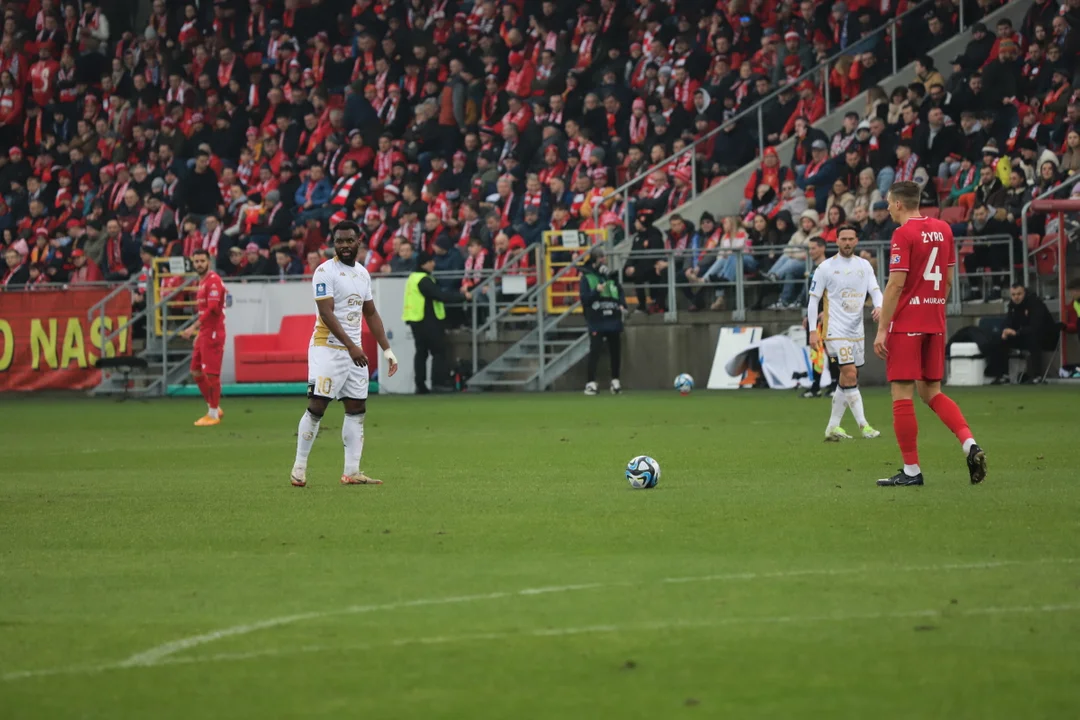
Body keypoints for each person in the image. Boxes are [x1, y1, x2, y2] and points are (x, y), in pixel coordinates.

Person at [873, 181, 986, 487]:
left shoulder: (903, 233)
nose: (886, 208)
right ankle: (969, 444)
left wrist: (883, 327)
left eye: (887, 202)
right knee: (931, 392)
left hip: (907, 324)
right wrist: (931, 305)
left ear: (898, 204)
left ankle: (911, 470)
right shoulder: (944, 229)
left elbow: (896, 283)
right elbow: (948, 280)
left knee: (902, 393)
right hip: (934, 321)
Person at [290, 221, 399, 488]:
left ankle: (352, 471)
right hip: (327, 348)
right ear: (333, 243)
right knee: (317, 406)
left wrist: (387, 350)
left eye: (349, 241)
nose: (345, 246)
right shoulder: (325, 271)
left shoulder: (362, 274)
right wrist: (352, 346)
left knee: (356, 408)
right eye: (340, 242)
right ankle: (299, 468)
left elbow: (370, 313)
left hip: (354, 352)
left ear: (358, 242)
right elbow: (326, 314)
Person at [807, 223, 883, 441]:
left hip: (856, 330)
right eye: (843, 239)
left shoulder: (864, 266)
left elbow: (875, 290)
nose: (847, 242)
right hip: (834, 330)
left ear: (856, 241)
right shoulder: (825, 268)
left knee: (848, 376)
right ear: (836, 241)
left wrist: (879, 306)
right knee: (849, 372)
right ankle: (864, 425)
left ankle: (833, 426)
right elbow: (813, 301)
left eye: (851, 239)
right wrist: (813, 331)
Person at [403, 251, 470, 394]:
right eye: (431, 261)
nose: (433, 263)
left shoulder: (413, 278)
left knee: (421, 353)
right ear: (424, 264)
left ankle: (420, 385)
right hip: (427, 320)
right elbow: (439, 295)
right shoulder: (424, 280)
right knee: (438, 351)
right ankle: (438, 383)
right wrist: (462, 297)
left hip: (415, 320)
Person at [180, 249, 227, 426]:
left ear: (208, 262)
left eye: (202, 261)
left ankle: (213, 414)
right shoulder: (202, 281)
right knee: (195, 371)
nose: (199, 264)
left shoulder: (213, 281)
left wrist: (194, 327)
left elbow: (213, 309)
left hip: (213, 332)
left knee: (212, 374)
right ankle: (213, 406)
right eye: (196, 261)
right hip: (205, 332)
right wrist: (200, 333)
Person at [580, 245, 627, 396]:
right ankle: (590, 382)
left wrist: (622, 305)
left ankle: (615, 381)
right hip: (596, 319)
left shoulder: (611, 277)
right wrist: (596, 291)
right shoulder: (586, 278)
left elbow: (619, 292)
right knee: (595, 351)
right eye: (602, 258)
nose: (605, 261)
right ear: (595, 260)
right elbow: (584, 299)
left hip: (613, 319)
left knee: (616, 351)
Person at [995, 284, 1058, 383]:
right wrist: (1006, 330)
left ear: (1025, 293)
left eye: (1019, 294)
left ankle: (1037, 376)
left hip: (1045, 337)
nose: (1016, 297)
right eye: (1013, 294)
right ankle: (1004, 375)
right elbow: (1008, 321)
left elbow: (1037, 326)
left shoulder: (1036, 303)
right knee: (1002, 339)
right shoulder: (1012, 306)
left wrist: (1017, 332)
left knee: (1033, 338)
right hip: (1022, 335)